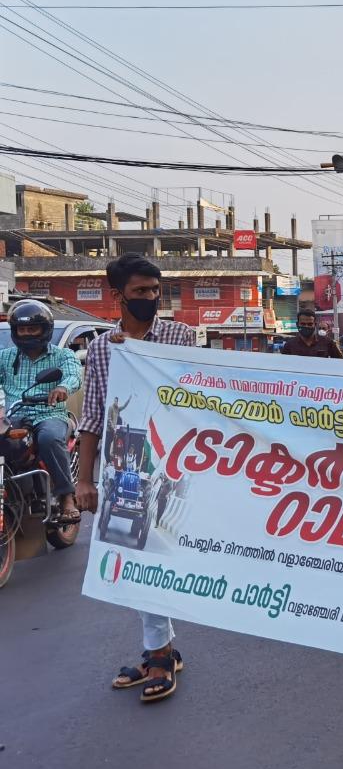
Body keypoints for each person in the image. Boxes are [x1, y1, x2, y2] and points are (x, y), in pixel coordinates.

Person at [77, 253, 195, 704]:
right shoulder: (105, 349)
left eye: (154, 290)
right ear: (117, 296)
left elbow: (206, 397)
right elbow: (92, 418)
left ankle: (160, 655)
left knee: (155, 560)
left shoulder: (181, 337)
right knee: (135, 560)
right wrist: (83, 482)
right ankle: (159, 651)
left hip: (172, 464)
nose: (150, 298)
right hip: (122, 464)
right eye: (140, 291)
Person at [0, 299, 82, 523]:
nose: (26, 334)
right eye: (22, 329)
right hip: (14, 415)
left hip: (49, 414)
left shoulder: (61, 355)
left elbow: (74, 374)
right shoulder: (5, 357)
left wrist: (63, 387)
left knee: (48, 439)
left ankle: (66, 497)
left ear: (45, 329)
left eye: (32, 328)